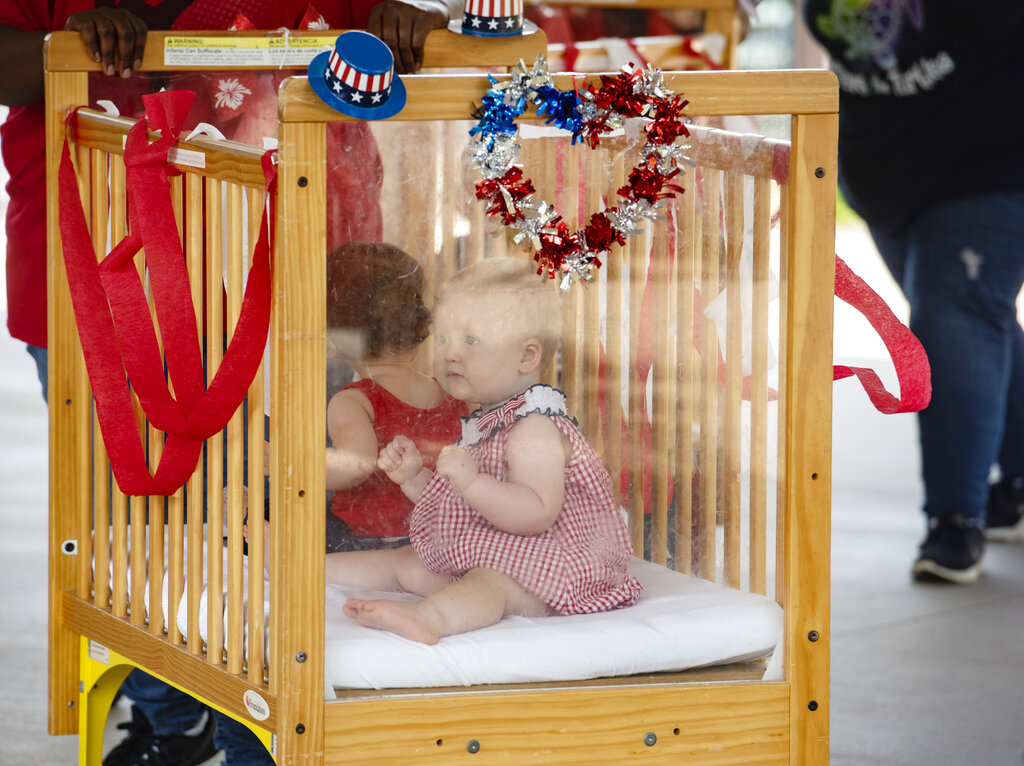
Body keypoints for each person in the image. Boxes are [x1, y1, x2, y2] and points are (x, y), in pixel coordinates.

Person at [0, 2, 459, 764]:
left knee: (280, 512)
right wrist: (93, 44)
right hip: (109, 282)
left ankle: (265, 718)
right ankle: (171, 718)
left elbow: (398, 31)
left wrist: (401, 20)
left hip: (302, 275)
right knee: (136, 519)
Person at [802, 1, 1024, 584]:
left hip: (991, 156)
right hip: (888, 172)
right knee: (975, 321)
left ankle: (955, 519)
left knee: (956, 318)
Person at [323, 256, 642, 645]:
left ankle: (431, 617)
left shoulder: (535, 427)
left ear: (527, 356)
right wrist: (414, 478)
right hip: (504, 548)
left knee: (490, 583)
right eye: (444, 340)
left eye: (470, 341)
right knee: (407, 560)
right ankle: (310, 569)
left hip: (551, 568)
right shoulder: (486, 423)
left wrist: (472, 481)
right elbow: (459, 503)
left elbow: (535, 513)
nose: (451, 353)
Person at [322, 241, 467, 552]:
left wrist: (292, 464)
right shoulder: (448, 392)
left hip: (369, 540)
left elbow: (355, 464)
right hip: (440, 537)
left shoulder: (355, 401)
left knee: (281, 516)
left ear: (336, 334)